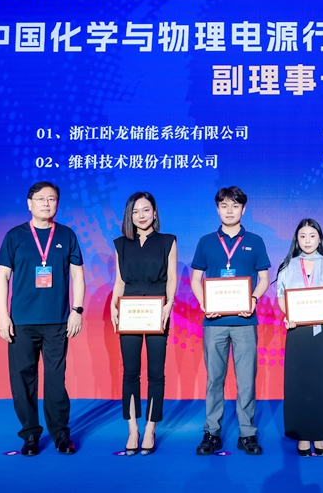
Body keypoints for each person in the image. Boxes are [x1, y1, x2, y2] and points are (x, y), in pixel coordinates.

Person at [0, 181, 85, 456]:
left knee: (56, 380)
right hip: (21, 322)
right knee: (22, 379)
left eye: (52, 199)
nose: (47, 203)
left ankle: (60, 434)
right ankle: (30, 435)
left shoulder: (66, 235)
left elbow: (78, 275)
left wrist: (77, 310)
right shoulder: (15, 236)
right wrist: (2, 316)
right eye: (41, 198)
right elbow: (2, 278)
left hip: (57, 321)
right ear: (29, 203)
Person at [190, 186, 271, 456]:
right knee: (214, 380)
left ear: (243, 209)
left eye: (235, 206)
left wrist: (254, 299)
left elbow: (264, 279)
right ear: (217, 209)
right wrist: (204, 303)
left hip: (245, 321)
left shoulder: (255, 241)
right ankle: (211, 432)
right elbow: (196, 279)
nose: (229, 211)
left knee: (246, 380)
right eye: (224, 206)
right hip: (214, 322)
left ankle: (247, 433)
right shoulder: (206, 242)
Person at [110, 192, 178, 456]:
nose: (141, 215)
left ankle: (150, 427)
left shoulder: (168, 241)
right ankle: (132, 429)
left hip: (157, 310)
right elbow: (119, 281)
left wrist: (169, 304)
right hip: (129, 310)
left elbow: (171, 277)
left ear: (155, 212)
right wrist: (113, 306)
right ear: (130, 214)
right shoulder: (120, 244)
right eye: (136, 211)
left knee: (156, 372)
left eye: (146, 210)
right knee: (130, 372)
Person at [276, 219, 323, 457]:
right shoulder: (287, 265)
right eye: (302, 236)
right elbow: (282, 297)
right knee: (300, 383)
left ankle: (320, 433)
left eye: (312, 236)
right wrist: (289, 315)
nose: (307, 240)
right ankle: (303, 435)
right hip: (297, 330)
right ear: (297, 239)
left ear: (320, 238)